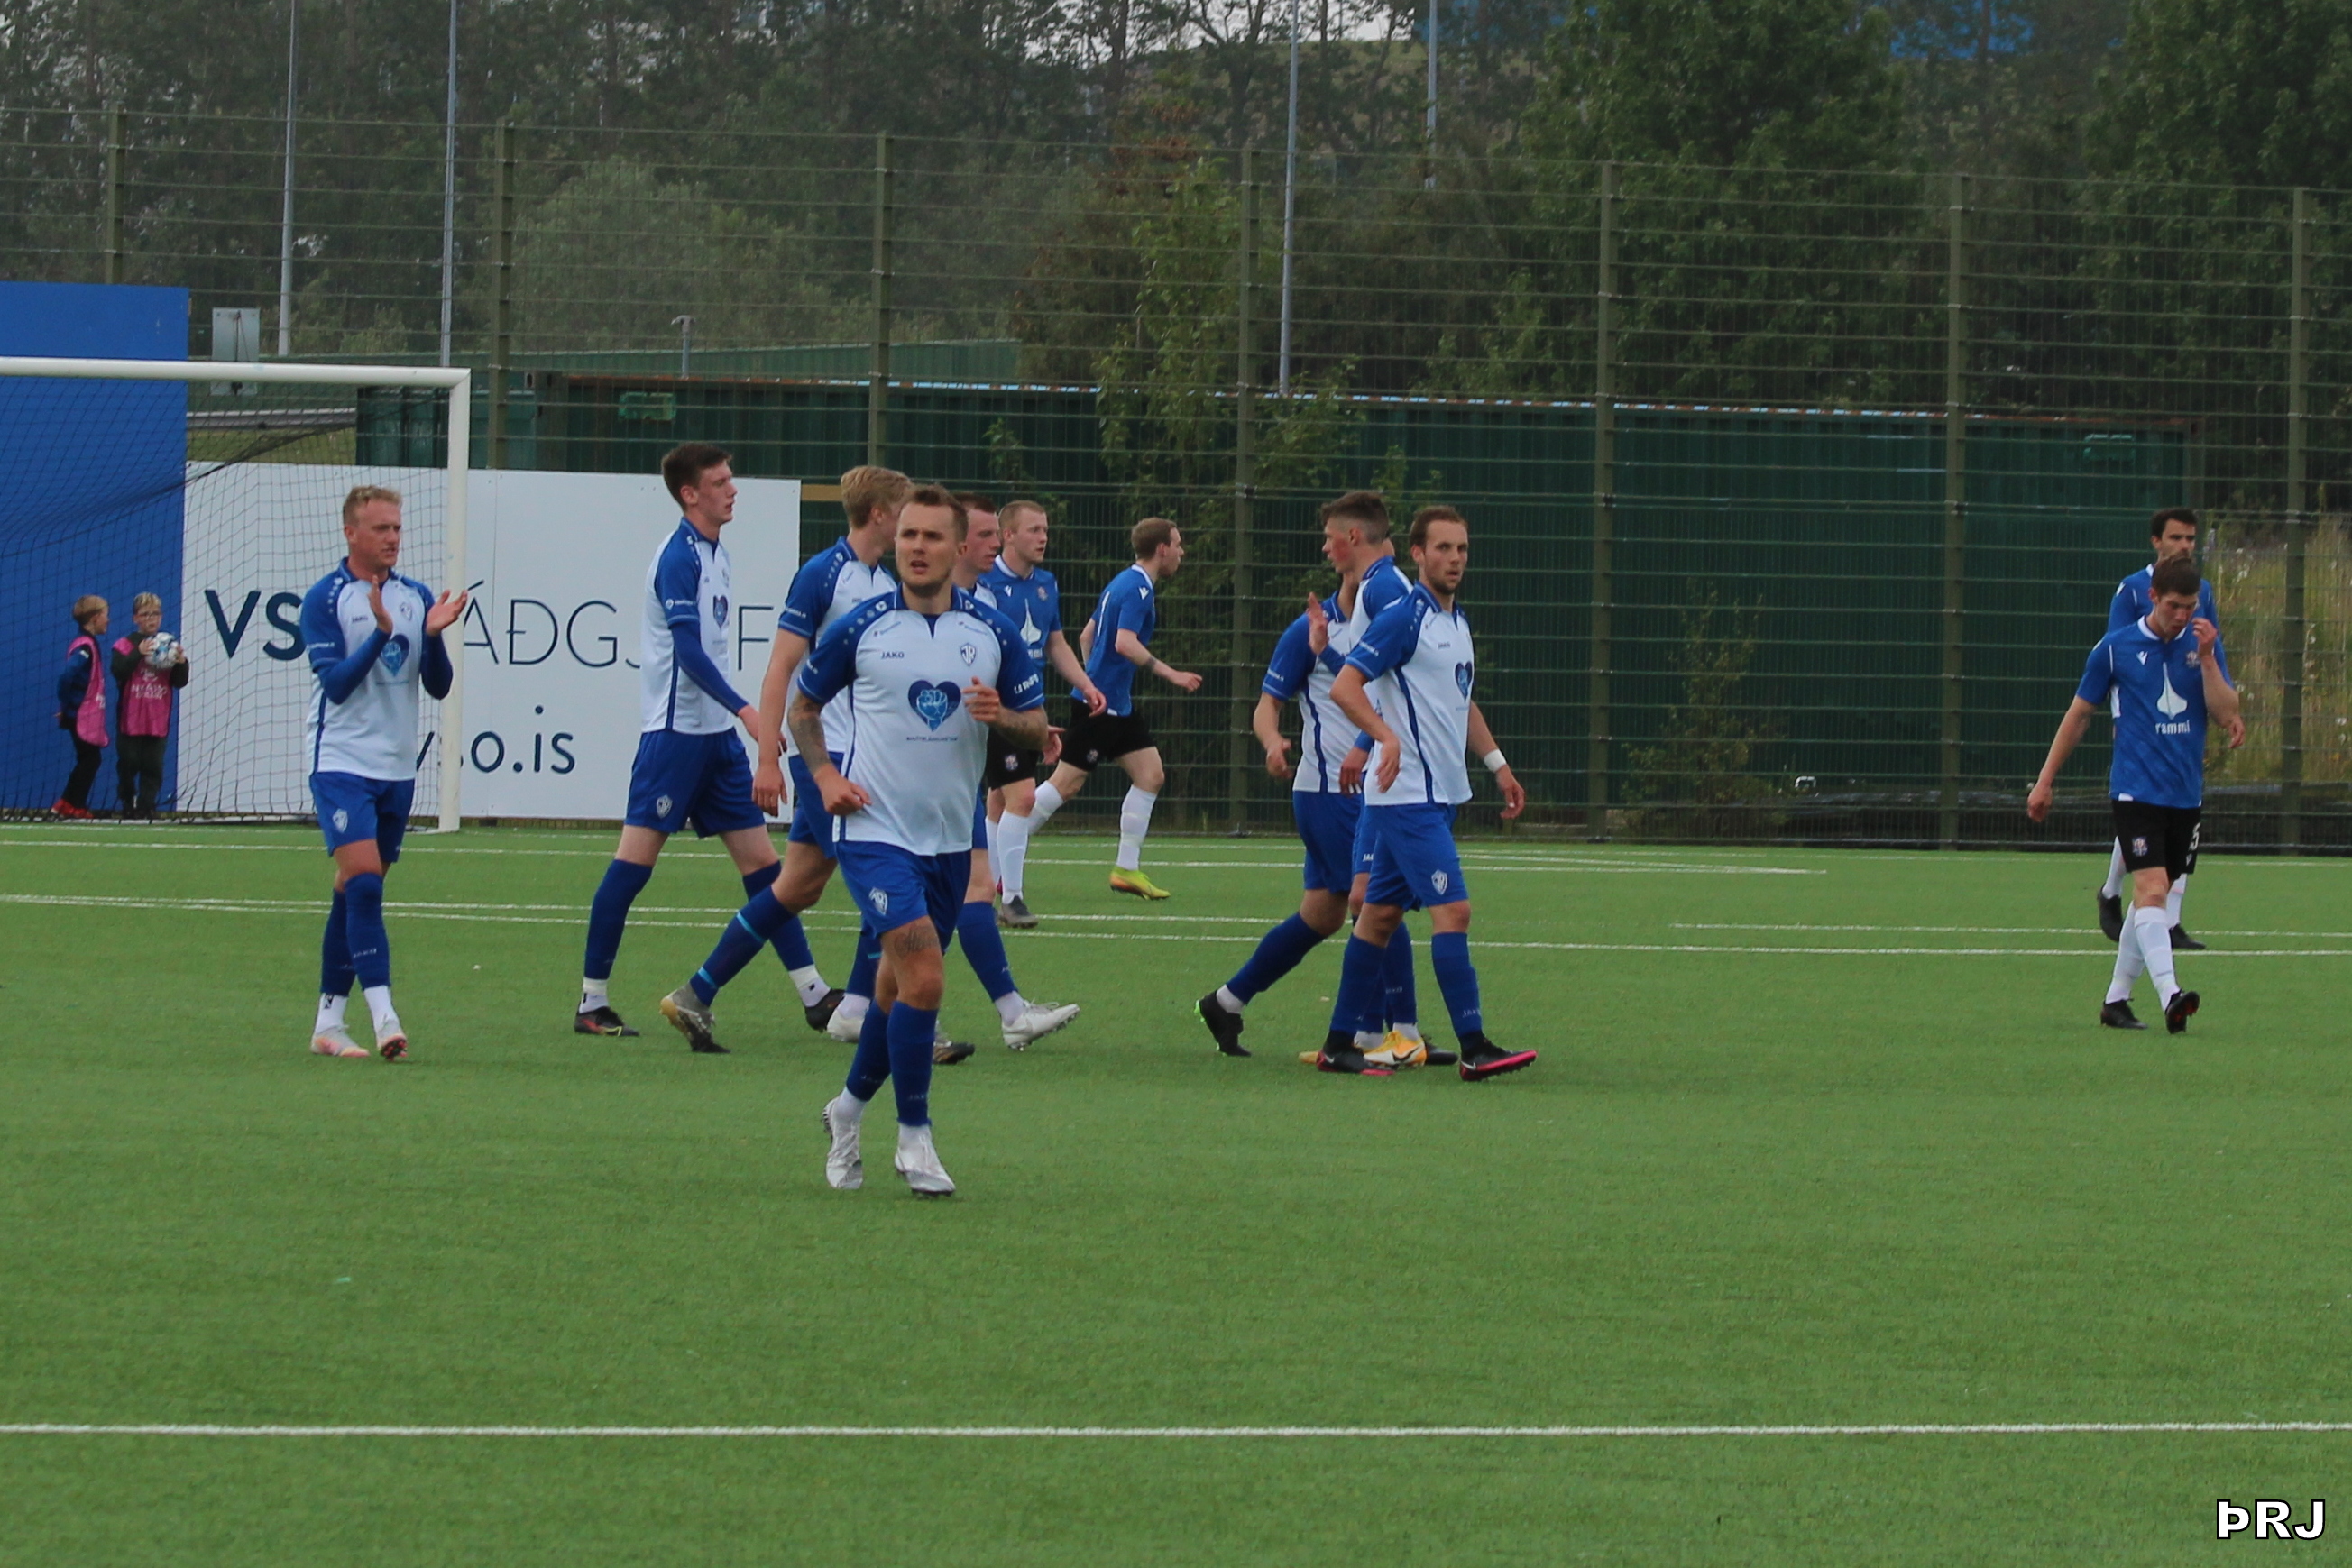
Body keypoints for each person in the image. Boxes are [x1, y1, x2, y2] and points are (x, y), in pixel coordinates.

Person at [658, 487, 1048, 1197]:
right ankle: (915, 1139)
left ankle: (846, 1109)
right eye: (909, 535)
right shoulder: (861, 625)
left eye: (932, 536)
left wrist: (1004, 717)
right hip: (872, 830)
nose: (917, 547)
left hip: (947, 838)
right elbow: (804, 706)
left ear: (959, 547)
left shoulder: (993, 631)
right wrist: (823, 775)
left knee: (894, 988)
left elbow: (1037, 725)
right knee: (924, 974)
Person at [573, 444, 835, 1042]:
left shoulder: (717, 552)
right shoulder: (678, 557)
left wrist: (732, 720)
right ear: (690, 494)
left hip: (715, 741)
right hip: (675, 736)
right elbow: (687, 652)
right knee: (632, 867)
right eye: (719, 482)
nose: (732, 489)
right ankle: (592, 1000)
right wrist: (746, 709)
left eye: (730, 479)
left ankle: (815, 994)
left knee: (765, 867)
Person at [1197, 497, 1453, 1069]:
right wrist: (1272, 742)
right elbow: (1267, 705)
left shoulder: (1383, 619)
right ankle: (1394, 1031)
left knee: (1322, 914)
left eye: (1330, 537)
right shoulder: (1310, 629)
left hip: (1363, 789)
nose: (1324, 547)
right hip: (1330, 791)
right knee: (1376, 902)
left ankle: (1226, 1001)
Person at [1323, 507, 1534, 1079]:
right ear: (1416, 553)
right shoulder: (1404, 617)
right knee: (1454, 911)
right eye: (1443, 548)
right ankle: (1475, 1047)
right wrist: (1384, 737)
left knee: (1378, 917)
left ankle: (1338, 1044)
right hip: (1406, 797)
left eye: (1462, 549)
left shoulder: (1456, 623)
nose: (1455, 559)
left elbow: (1460, 703)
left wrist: (1498, 766)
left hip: (1438, 796)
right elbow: (1346, 686)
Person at [2029, 555, 2240, 1033]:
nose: (2182, 616)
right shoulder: (2115, 649)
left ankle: (2116, 1001)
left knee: (2151, 902)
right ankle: (2171, 995)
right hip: (2135, 792)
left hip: (2185, 795)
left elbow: (2228, 710)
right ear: (2153, 598)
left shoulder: (2203, 645)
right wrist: (2045, 780)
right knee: (2153, 891)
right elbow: (2078, 716)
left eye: (2189, 606)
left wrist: (2209, 659)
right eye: (2173, 606)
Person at [301, 485, 468, 1060]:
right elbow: (336, 686)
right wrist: (378, 632)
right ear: (351, 533)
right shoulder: (325, 599)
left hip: (397, 768)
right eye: (380, 529)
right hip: (340, 761)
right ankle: (385, 1018)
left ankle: (328, 1022)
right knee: (366, 884)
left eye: (397, 528)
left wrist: (432, 636)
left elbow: (438, 686)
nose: (393, 538)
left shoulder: (415, 595)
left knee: (354, 891)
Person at [751, 465, 907, 1048]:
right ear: (879, 514)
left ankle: (698, 991)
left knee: (796, 888)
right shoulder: (823, 573)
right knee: (885, 876)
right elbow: (780, 668)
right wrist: (768, 759)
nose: (910, 524)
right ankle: (865, 1010)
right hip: (824, 756)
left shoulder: (885, 581)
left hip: (863, 755)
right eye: (903, 512)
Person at [994, 518, 1200, 903]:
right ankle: (1001, 867)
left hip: (1114, 703)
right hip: (1103, 707)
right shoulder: (1138, 589)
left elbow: (1087, 635)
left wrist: (1093, 681)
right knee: (1064, 786)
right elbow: (1124, 643)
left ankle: (1126, 869)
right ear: (1162, 550)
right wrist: (1170, 674)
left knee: (1151, 775)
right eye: (1177, 544)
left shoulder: (1123, 581)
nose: (1181, 552)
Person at [947, 499, 1082, 1054]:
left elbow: (1042, 652)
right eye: (983, 535)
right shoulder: (893, 614)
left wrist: (1037, 722)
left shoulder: (998, 610)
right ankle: (861, 1009)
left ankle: (1010, 1011)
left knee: (970, 886)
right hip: (911, 776)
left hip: (981, 742)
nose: (993, 545)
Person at [2095, 506, 2241, 951]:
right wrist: (2121, 719)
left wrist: (2229, 710)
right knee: (2143, 807)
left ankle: (2169, 920)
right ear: (2156, 542)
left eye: (2191, 539)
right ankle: (2112, 891)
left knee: (2177, 806)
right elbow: (2118, 657)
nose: (2184, 546)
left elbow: (2207, 649)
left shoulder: (2203, 591)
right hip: (2143, 721)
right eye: (2176, 538)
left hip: (2184, 717)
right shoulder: (2132, 590)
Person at [978, 498, 1106, 927]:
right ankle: (1011, 898)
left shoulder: (1046, 583)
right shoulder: (984, 584)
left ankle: (986, 891)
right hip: (996, 706)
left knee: (1000, 799)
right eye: (1034, 529)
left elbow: (1054, 642)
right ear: (1008, 535)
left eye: (1045, 530)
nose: (1043, 537)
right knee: (1023, 797)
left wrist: (1085, 684)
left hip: (1026, 704)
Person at [111, 591, 189, 817]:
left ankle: (147, 806)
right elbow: (118, 671)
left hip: (157, 717)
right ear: (135, 618)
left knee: (153, 765)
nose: (151, 619)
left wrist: (181, 663)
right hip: (130, 717)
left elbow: (179, 682)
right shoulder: (124, 645)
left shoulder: (168, 645)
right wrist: (138, 654)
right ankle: (128, 800)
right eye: (145, 614)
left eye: (155, 614)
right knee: (129, 762)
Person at [52, 595, 110, 819]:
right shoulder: (85, 647)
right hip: (79, 713)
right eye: (105, 615)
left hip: (77, 711)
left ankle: (67, 802)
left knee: (88, 758)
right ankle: (73, 804)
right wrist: (67, 704)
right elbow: (67, 675)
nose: (108, 620)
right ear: (94, 618)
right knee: (90, 759)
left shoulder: (89, 644)